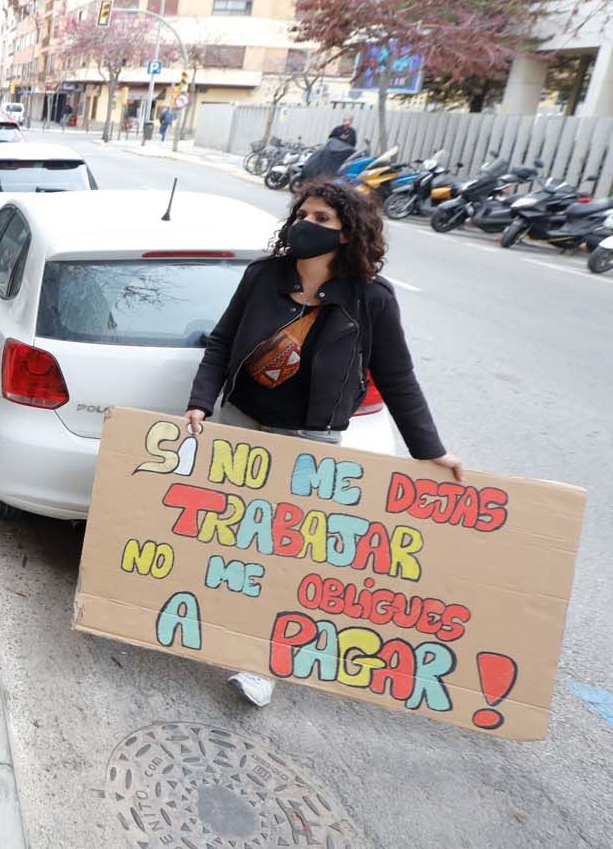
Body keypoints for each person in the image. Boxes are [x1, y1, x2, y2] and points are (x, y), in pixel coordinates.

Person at [183, 179, 463, 707]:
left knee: (284, 552)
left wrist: (430, 449)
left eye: (321, 220)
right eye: (302, 214)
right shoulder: (263, 277)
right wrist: (201, 401)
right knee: (235, 539)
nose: (304, 225)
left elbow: (397, 376)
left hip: (310, 439)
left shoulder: (371, 299)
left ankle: (261, 664)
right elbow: (221, 342)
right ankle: (214, 625)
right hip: (242, 423)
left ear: (347, 234)